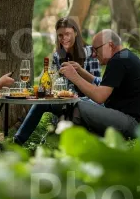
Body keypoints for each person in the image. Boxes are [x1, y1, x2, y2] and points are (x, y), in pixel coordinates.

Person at [13, 17, 102, 145]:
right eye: (60, 35)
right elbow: (54, 81)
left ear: (76, 33)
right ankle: (17, 141)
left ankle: (50, 140)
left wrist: (78, 74)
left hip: (85, 102)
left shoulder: (89, 53)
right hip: (64, 99)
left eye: (67, 34)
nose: (64, 38)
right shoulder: (58, 55)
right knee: (40, 103)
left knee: (69, 110)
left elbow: (96, 85)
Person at [59, 29, 140, 139]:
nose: (94, 55)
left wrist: (74, 76)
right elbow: (103, 84)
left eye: (96, 50)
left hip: (136, 125)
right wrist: (81, 72)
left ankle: (70, 141)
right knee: (81, 102)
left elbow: (99, 96)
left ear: (110, 45)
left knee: (75, 104)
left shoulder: (118, 60)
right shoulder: (124, 56)